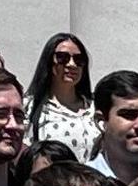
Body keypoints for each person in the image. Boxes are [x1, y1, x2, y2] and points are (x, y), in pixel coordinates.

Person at [29, 31, 103, 164]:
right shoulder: (30, 107)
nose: (72, 64)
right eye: (63, 58)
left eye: (79, 60)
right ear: (49, 61)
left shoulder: (96, 108)